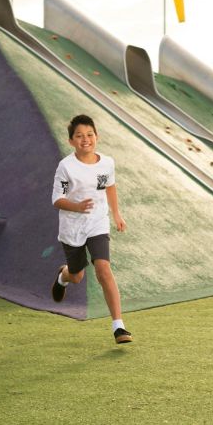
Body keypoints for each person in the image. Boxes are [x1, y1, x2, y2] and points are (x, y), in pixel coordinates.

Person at [51, 114, 131, 344]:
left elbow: (108, 186)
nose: (85, 139)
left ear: (97, 137)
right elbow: (58, 198)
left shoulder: (106, 163)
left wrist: (116, 214)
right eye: (79, 136)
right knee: (77, 276)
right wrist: (76, 207)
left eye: (89, 135)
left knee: (103, 269)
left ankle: (119, 327)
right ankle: (63, 276)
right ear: (71, 141)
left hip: (97, 222)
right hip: (72, 227)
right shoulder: (66, 167)